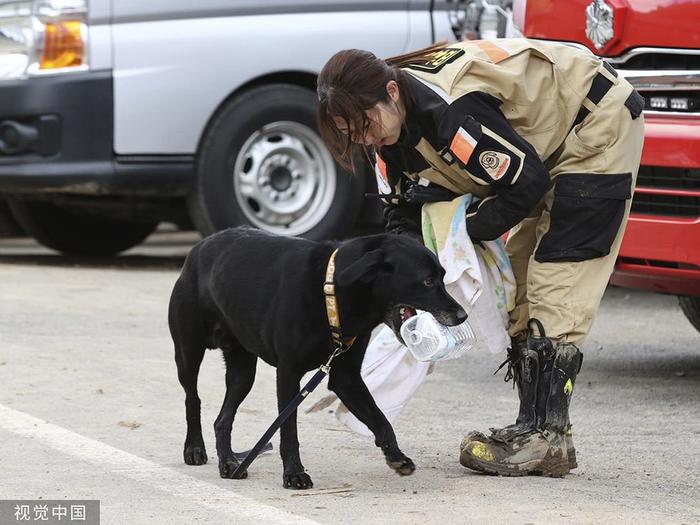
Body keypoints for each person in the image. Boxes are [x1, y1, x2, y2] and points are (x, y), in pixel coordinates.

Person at [316, 38, 644, 477]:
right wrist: (406, 300)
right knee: (519, 282)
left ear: (392, 93)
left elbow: (525, 185)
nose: (362, 136)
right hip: (540, 147)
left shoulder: (452, 115)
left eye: (365, 122)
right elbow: (402, 222)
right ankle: (542, 433)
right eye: (349, 131)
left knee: (558, 274)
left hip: (594, 124)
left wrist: (459, 232)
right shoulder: (387, 144)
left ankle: (543, 437)